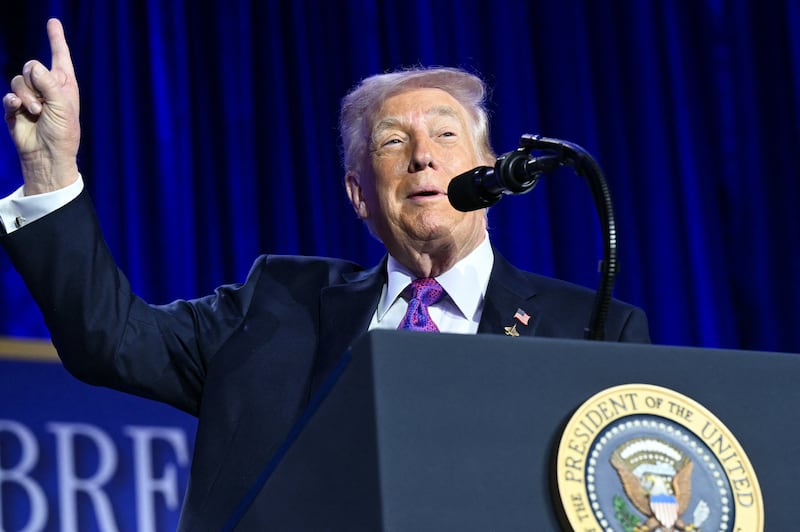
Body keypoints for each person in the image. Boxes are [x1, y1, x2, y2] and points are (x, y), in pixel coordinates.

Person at [1, 19, 650, 529]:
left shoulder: (590, 330)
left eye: (447, 136)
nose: (423, 156)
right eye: (393, 142)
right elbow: (110, 338)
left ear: (491, 175)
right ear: (359, 193)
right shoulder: (275, 305)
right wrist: (51, 172)